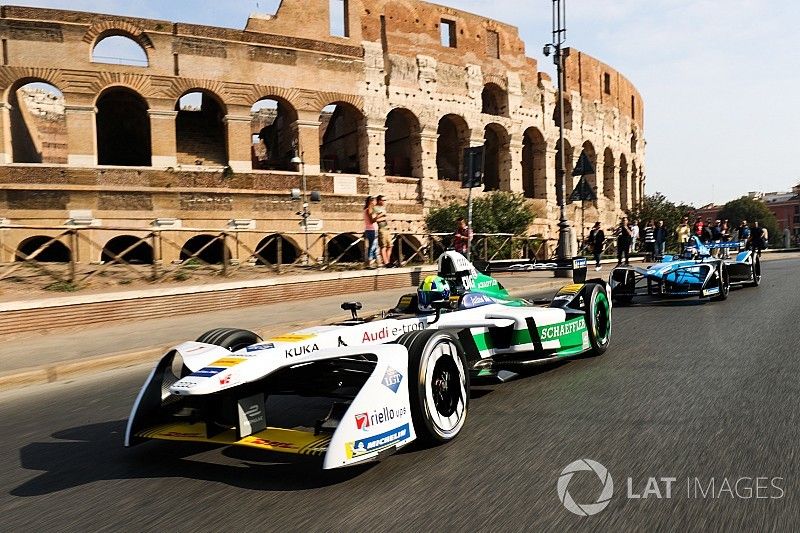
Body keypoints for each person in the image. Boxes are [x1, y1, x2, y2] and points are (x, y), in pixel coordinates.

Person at [373, 195, 393, 267]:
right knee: (383, 246)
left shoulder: (383, 208)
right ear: (379, 200)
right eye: (383, 200)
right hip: (381, 229)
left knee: (390, 246)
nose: (384, 202)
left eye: (385, 200)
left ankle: (388, 262)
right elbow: (374, 220)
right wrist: (382, 216)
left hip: (387, 228)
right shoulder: (375, 208)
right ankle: (386, 262)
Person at [363, 196, 378, 267]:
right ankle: (369, 263)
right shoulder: (369, 209)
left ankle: (373, 262)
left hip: (369, 229)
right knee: (372, 246)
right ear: (371, 201)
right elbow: (372, 221)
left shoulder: (367, 209)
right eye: (375, 201)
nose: (376, 202)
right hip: (372, 230)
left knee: (372, 247)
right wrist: (379, 216)